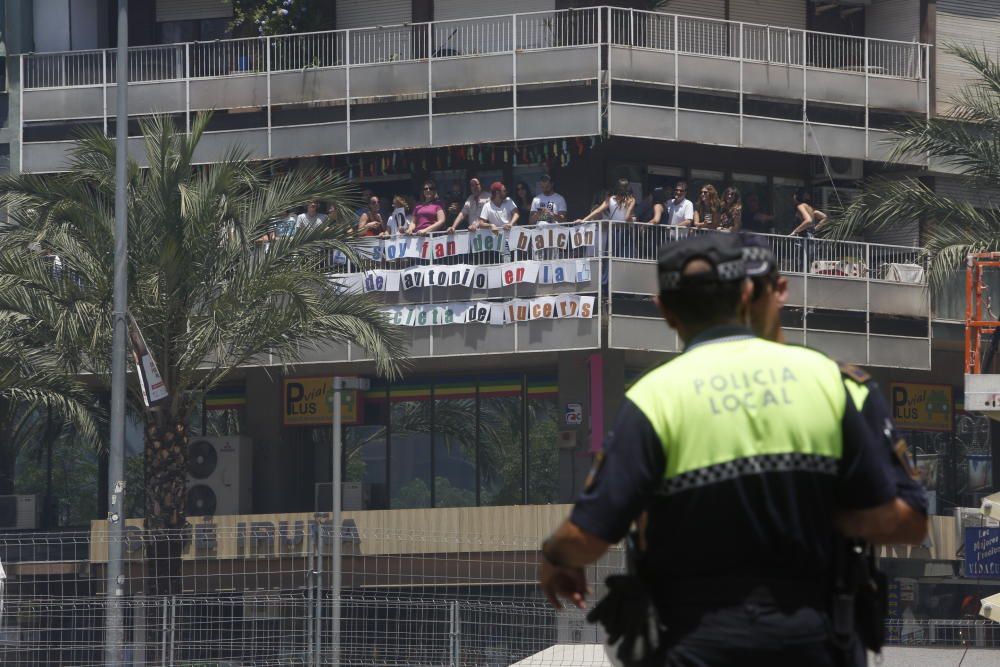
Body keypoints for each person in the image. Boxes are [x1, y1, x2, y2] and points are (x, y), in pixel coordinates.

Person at [539, 233, 924, 667]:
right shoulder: (824, 380)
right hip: (814, 641)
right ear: (745, 294)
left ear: (664, 310)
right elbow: (891, 517)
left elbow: (588, 535)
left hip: (697, 645)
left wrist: (554, 557)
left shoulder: (654, 398)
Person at [742, 236, 928, 665]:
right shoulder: (681, 395)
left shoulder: (843, 389)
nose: (745, 302)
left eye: (754, 288)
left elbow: (912, 520)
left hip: (821, 630)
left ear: (780, 289)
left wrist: (813, 516)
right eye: (731, 292)